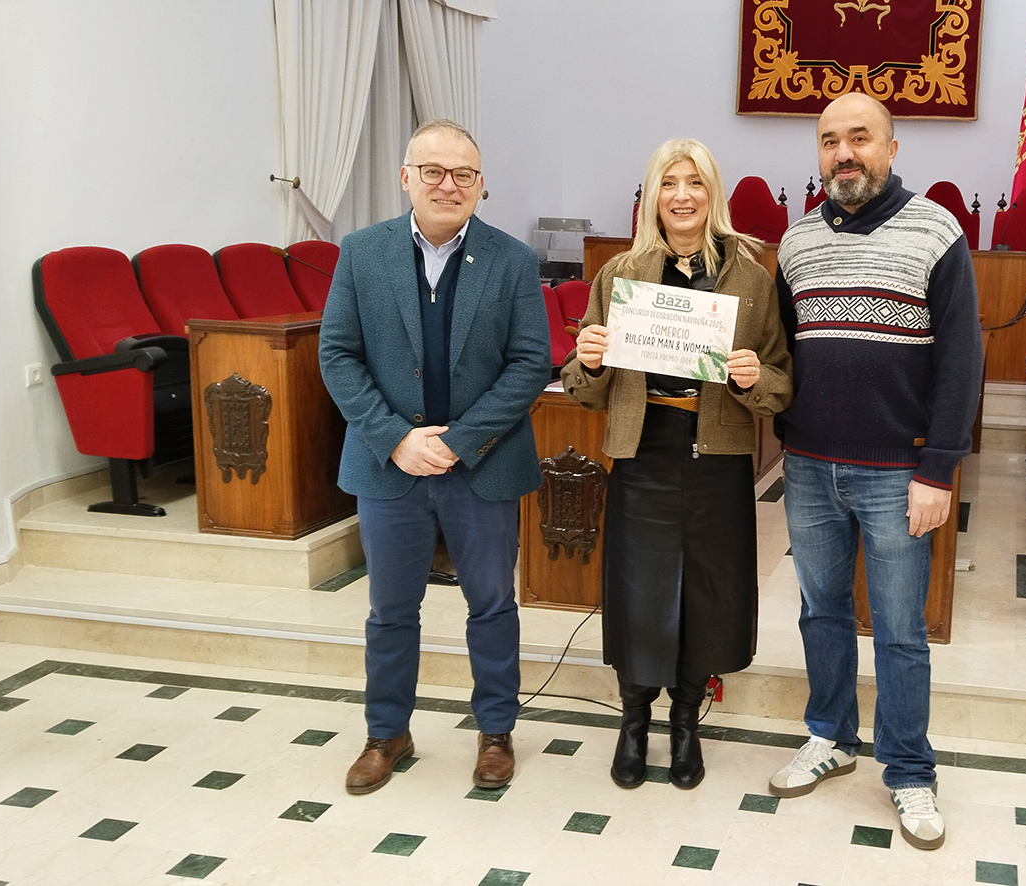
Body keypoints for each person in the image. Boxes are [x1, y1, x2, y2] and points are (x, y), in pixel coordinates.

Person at [765, 93, 982, 850]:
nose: (844, 153)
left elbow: (961, 361)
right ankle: (830, 736)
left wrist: (938, 469)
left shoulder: (936, 232)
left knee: (899, 630)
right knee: (820, 612)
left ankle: (910, 770)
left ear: (891, 147)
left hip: (896, 472)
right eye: (830, 141)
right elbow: (782, 350)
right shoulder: (795, 241)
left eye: (859, 137)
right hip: (809, 466)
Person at [319, 119, 550, 795]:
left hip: (484, 467)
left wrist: (458, 441)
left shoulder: (511, 259)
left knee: (492, 606)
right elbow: (338, 354)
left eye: (463, 174)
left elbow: (529, 363)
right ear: (406, 178)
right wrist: (396, 438)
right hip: (388, 467)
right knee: (390, 610)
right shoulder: (362, 253)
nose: (448, 185)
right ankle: (386, 734)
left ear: (481, 185)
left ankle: (495, 732)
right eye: (433, 171)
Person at [561, 138, 792, 791]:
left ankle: (686, 721)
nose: (682, 195)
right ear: (653, 196)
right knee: (638, 594)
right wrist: (591, 361)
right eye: (669, 183)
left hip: (716, 457)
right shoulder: (620, 274)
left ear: (712, 193)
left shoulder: (751, 277)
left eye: (695, 182)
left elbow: (781, 382)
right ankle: (634, 721)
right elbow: (583, 386)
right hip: (645, 453)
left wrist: (754, 377)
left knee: (707, 596)